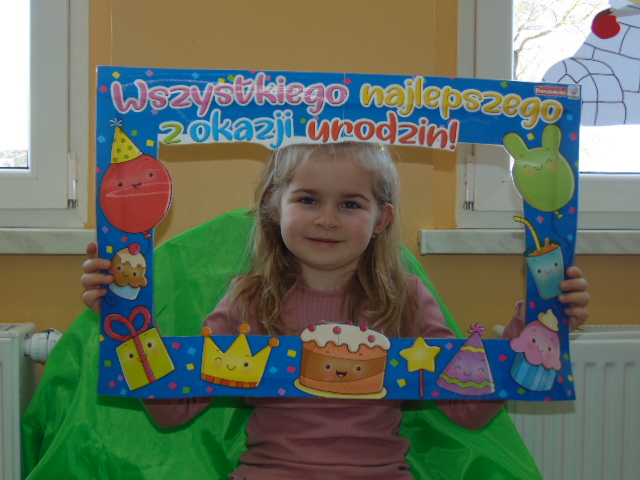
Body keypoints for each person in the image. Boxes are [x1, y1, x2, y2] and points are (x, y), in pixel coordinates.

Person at [81, 142, 590, 480]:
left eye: (350, 204)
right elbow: (172, 411)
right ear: (274, 206)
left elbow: (468, 410)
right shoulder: (248, 299)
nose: (327, 219)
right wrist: (122, 320)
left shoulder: (407, 298)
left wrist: (541, 322)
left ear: (381, 219)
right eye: (308, 199)